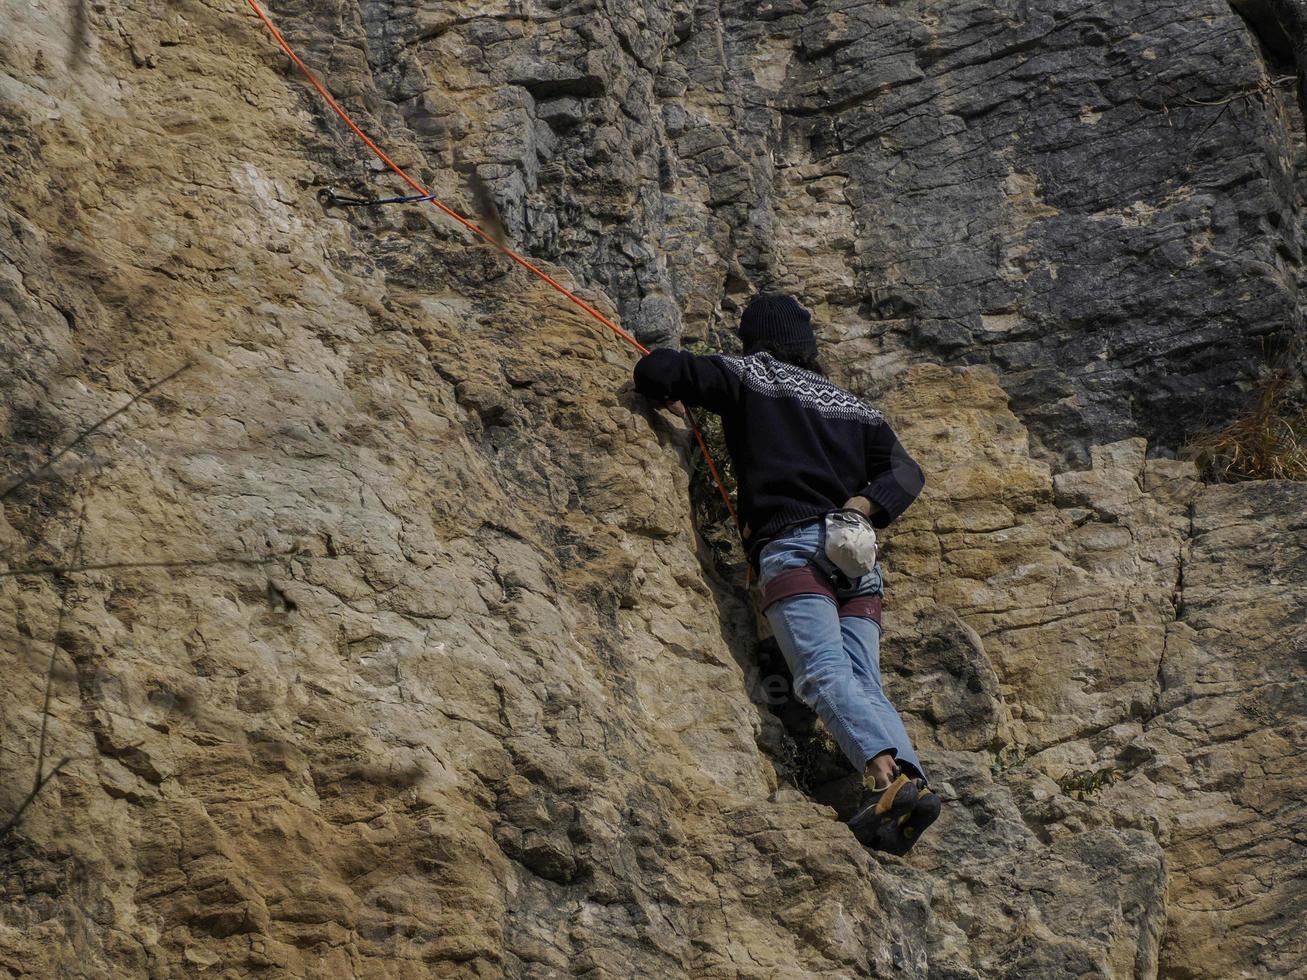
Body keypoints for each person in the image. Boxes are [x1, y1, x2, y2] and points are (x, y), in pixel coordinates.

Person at [632, 293, 940, 854]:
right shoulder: (854, 407)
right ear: (809, 345)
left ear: (757, 338)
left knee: (822, 673)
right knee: (863, 680)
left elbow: (657, 369)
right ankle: (911, 784)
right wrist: (863, 506)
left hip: (794, 548)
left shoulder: (752, 375)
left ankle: (886, 782)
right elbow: (906, 471)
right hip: (856, 552)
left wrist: (673, 391)